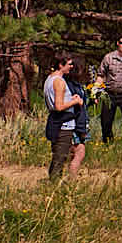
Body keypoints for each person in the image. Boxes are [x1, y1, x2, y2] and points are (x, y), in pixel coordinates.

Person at [43, 52, 83, 181]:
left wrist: (71, 98)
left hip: (56, 122)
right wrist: (75, 102)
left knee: (58, 157)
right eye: (69, 64)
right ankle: (54, 186)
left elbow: (57, 101)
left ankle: (54, 183)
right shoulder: (59, 81)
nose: (71, 67)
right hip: (63, 125)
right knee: (60, 158)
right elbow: (59, 106)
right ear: (61, 65)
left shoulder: (50, 79)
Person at [65, 54, 92, 176]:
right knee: (79, 152)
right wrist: (81, 129)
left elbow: (83, 105)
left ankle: (69, 176)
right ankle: (72, 179)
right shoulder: (71, 85)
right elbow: (76, 107)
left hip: (79, 123)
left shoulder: (78, 85)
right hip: (75, 124)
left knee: (75, 153)